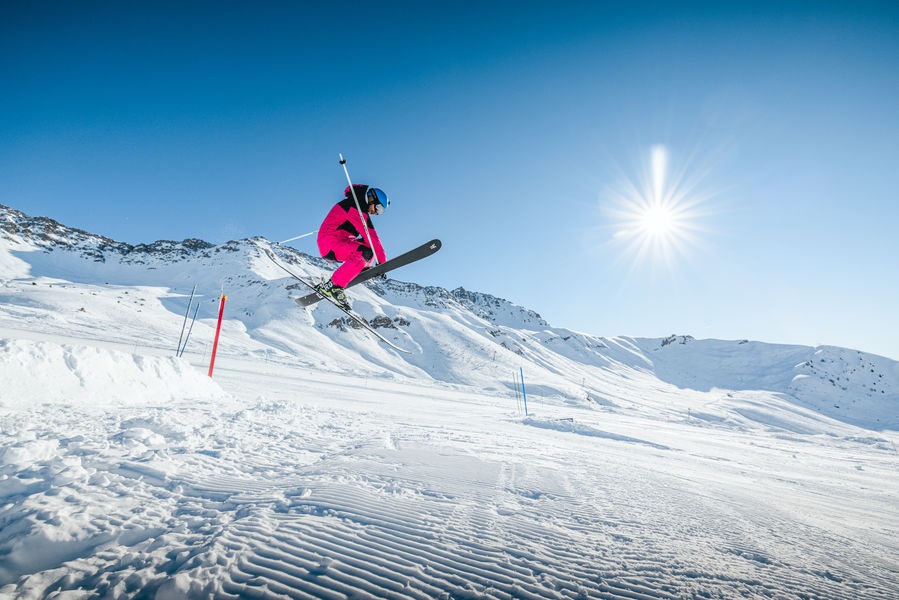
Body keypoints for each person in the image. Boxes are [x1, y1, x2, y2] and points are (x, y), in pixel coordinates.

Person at [316, 184, 389, 309]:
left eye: (380, 212)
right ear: (371, 199)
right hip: (330, 243)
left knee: (368, 250)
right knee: (365, 252)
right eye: (378, 208)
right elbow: (372, 237)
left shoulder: (356, 206)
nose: (376, 213)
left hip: (338, 241)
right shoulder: (355, 208)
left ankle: (361, 266)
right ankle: (335, 286)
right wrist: (382, 263)